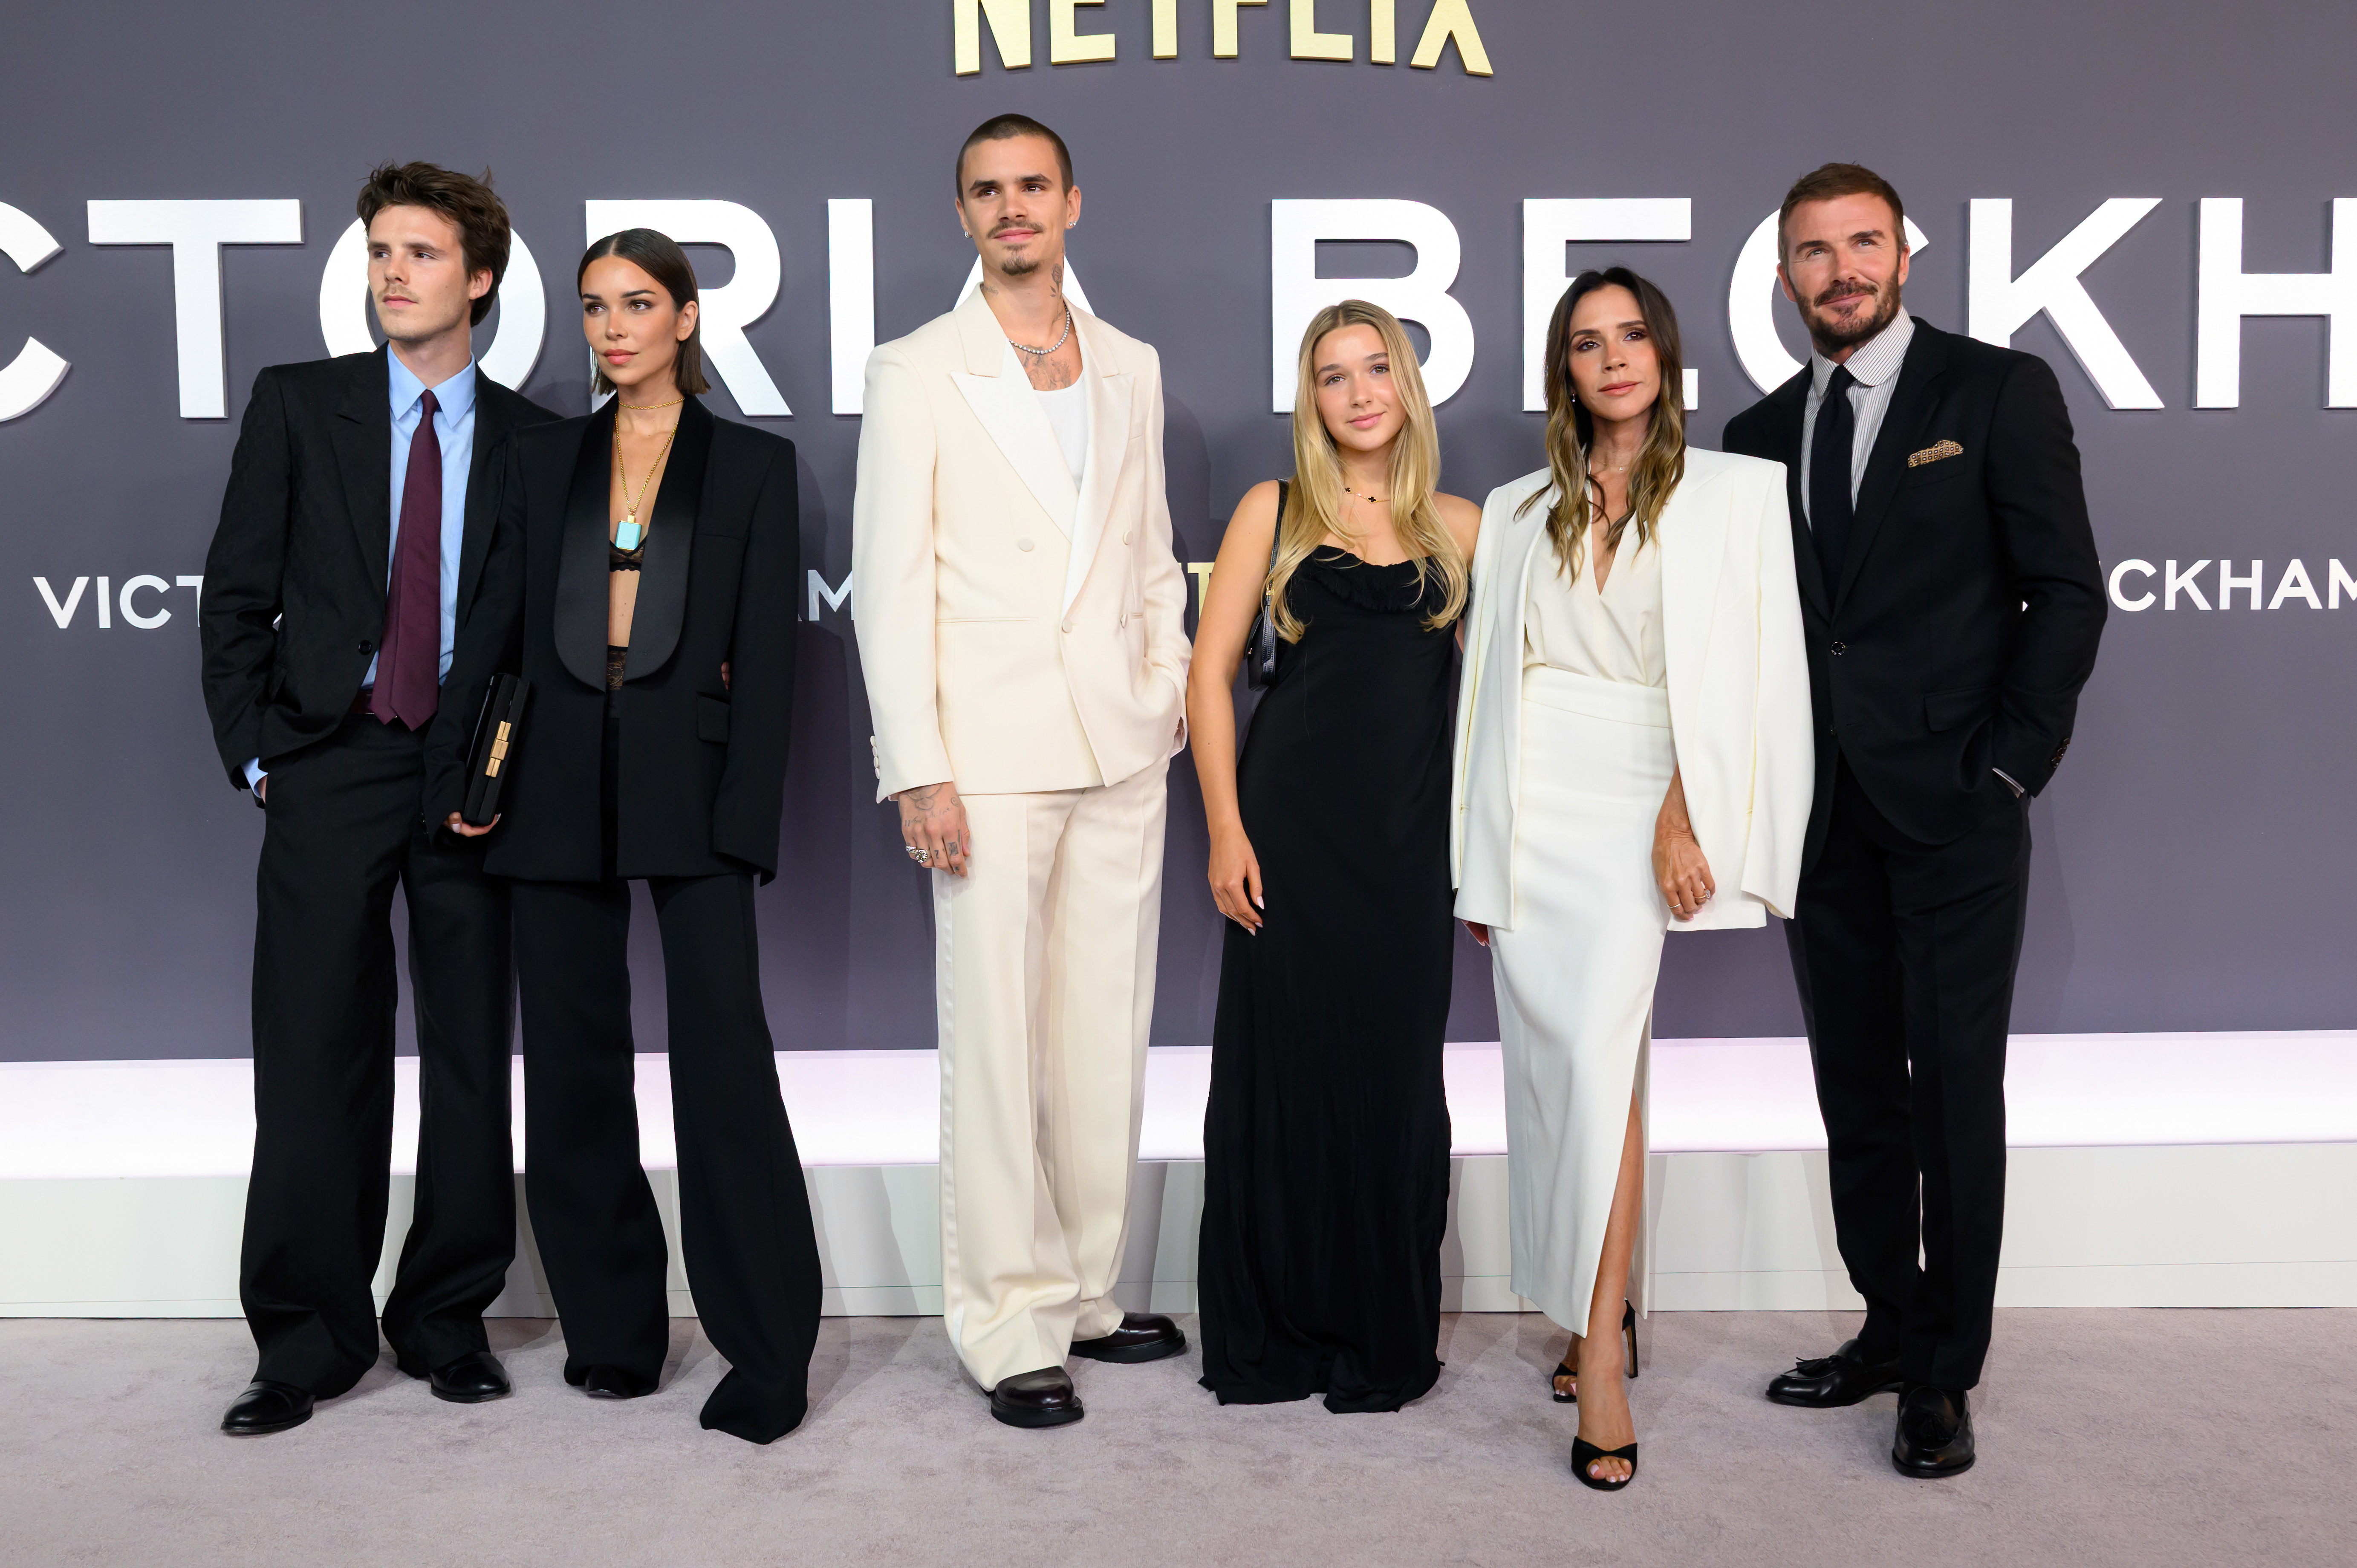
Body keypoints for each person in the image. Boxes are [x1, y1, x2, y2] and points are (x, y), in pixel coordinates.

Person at [1721, 164, 2105, 1478]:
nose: (1839, 271)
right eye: (1813, 253)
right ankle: (1888, 1325)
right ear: (1784, 278)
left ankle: (1945, 1373)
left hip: (1954, 812)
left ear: (1902, 256)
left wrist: (2005, 771)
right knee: (1856, 1096)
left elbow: (2065, 593)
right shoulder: (1756, 434)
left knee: (1950, 1100)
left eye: (1861, 245)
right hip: (1821, 824)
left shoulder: (1995, 391)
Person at [425, 228, 820, 1444]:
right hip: (547, 778)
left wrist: (746, 820)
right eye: (595, 307)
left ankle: (764, 1352)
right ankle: (611, 1338)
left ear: (686, 320)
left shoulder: (752, 466)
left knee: (722, 1071)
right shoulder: (542, 458)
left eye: (637, 304)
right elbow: (490, 625)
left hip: (690, 781)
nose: (612, 328)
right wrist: (460, 773)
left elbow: (766, 663)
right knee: (575, 1071)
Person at [199, 162, 559, 1437]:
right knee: (310, 1052)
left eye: (418, 254)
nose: (391, 274)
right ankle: (302, 1340)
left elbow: (540, 642)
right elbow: (236, 594)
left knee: (468, 1053)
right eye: (379, 253)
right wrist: (262, 754)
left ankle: (445, 1319)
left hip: (469, 773)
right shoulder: (301, 406)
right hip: (330, 759)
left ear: (478, 281)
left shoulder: (535, 442)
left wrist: (506, 769)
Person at [852, 113, 1191, 1429]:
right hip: (982, 754)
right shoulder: (918, 367)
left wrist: (1160, 694)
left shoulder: (1130, 365)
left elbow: (1154, 553)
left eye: (1031, 188)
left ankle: (1089, 1292)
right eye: (986, 192)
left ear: (1072, 202)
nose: (1011, 209)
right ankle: (1006, 1321)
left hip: (1119, 742)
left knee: (1101, 1027)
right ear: (962, 215)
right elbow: (887, 587)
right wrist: (916, 767)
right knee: (995, 1040)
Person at [1453, 268, 1813, 1488]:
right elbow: (1484, 704)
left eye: (1630, 337)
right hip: (1532, 807)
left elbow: (1745, 678)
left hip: (1640, 796)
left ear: (1664, 354)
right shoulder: (1511, 509)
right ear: (1564, 367)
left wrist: (1684, 808)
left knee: (1601, 1065)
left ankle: (1598, 1349)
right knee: (1571, 1074)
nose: (1612, 358)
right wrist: (1479, 865)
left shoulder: (1735, 494)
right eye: (1585, 342)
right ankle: (1592, 1307)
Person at [1187, 300, 1479, 1412]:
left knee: (1397, 1086)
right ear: (1308, 400)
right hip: (1286, 837)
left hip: (1406, 847)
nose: (1357, 393)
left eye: (1375, 370)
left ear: (1405, 385)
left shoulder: (1463, 526)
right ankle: (1278, 1335)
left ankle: (1375, 1330)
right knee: (1283, 1078)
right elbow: (1209, 675)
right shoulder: (1274, 509)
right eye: (1330, 376)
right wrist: (1224, 827)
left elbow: (1508, 702)